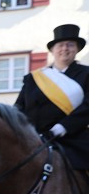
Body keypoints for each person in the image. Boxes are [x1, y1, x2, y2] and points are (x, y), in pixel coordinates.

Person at [15, 24, 89, 168]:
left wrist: (61, 128)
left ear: (77, 49)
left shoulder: (86, 74)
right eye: (60, 45)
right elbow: (19, 108)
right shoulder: (34, 78)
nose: (65, 48)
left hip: (74, 139)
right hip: (34, 140)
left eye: (70, 45)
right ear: (52, 50)